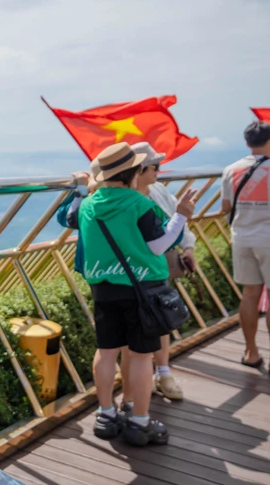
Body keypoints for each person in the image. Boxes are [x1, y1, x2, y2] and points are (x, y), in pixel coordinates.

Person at [78, 142, 194, 447]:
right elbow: (159, 245)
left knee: (106, 352)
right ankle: (139, 422)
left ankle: (106, 415)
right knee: (142, 356)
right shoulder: (139, 204)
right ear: (133, 173)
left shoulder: (89, 204)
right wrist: (181, 215)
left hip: (103, 289)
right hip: (141, 290)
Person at [127, 142, 194, 401]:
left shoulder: (158, 192)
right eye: (155, 166)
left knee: (160, 318)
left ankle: (163, 373)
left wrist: (188, 246)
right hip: (134, 271)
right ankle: (137, 392)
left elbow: (176, 217)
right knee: (136, 328)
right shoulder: (127, 198)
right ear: (140, 169)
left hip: (156, 268)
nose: (159, 170)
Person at [221, 121, 270, 369]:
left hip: (242, 238)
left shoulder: (231, 169)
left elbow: (226, 207)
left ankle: (251, 352)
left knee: (250, 295)